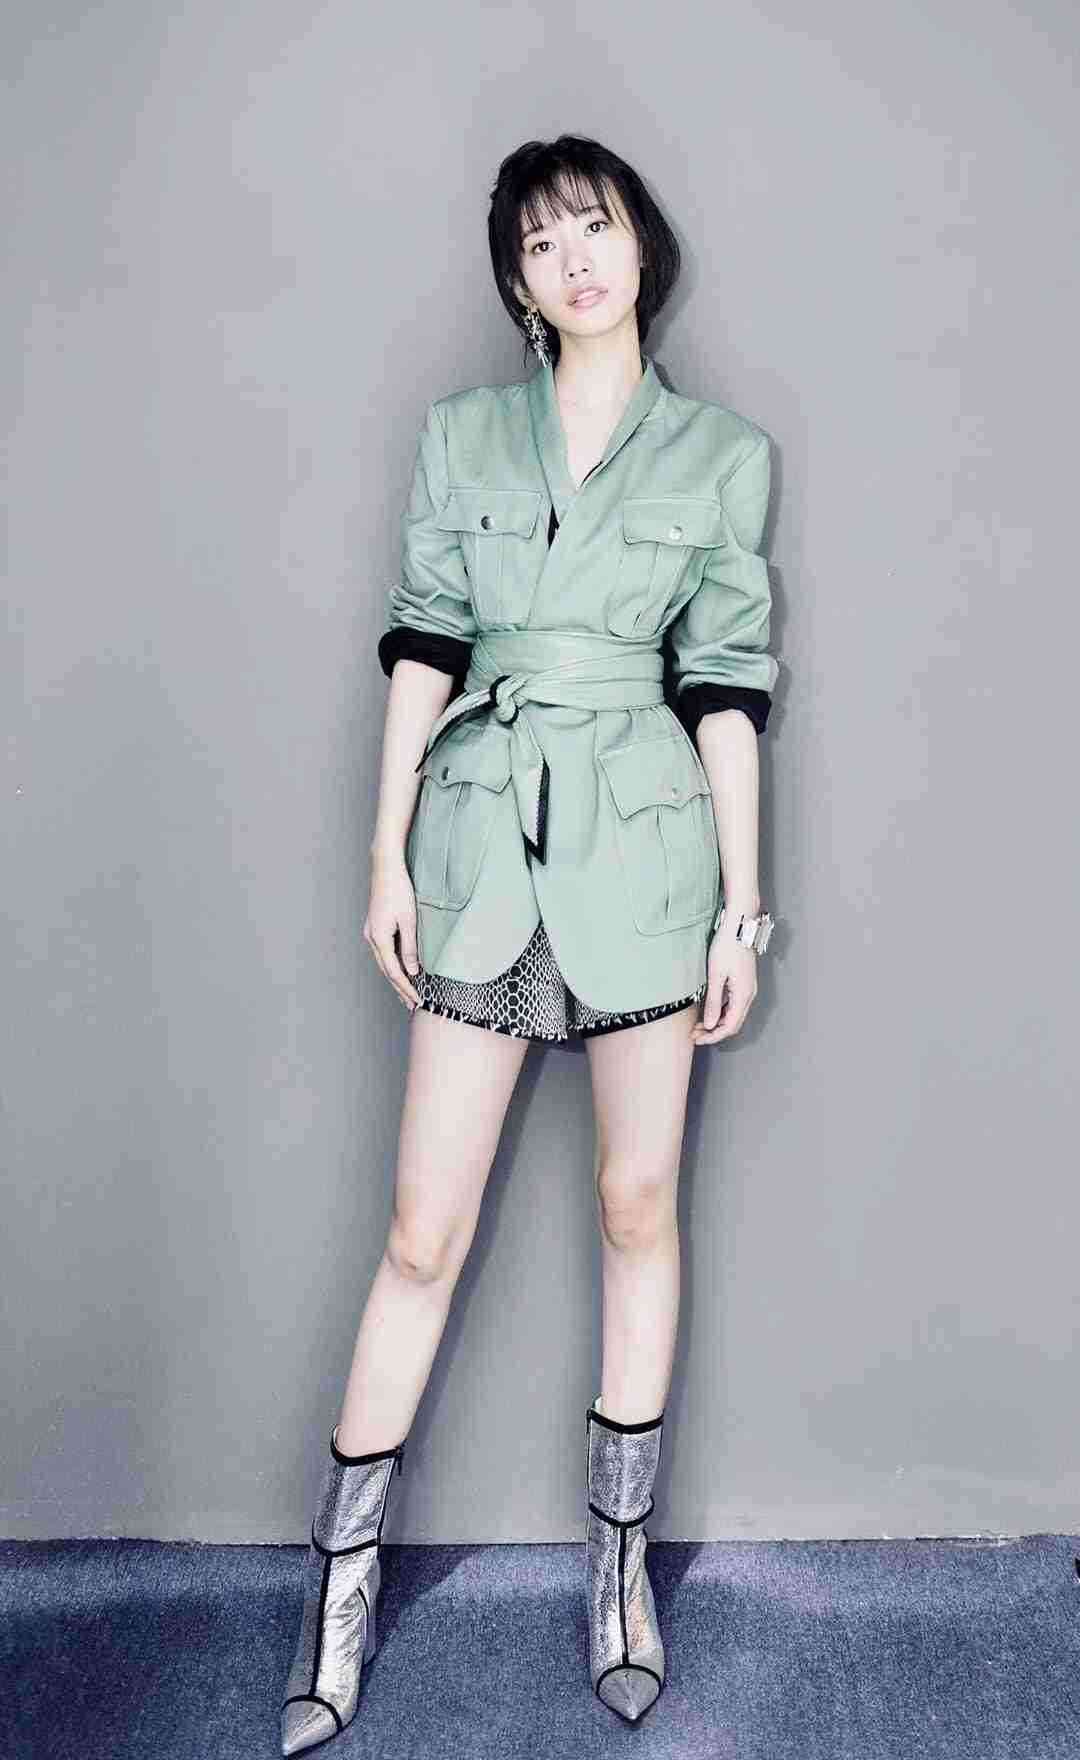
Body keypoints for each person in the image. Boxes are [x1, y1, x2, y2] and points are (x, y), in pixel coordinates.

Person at [280, 132, 779, 1754]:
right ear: (517, 280)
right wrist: (385, 853)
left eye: (598, 227)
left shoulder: (722, 457)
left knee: (638, 1207)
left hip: (644, 855)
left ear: (642, 247)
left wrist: (742, 908)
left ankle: (618, 1571)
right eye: (546, 241)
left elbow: (727, 691)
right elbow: (425, 642)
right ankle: (339, 1588)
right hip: (485, 845)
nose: (578, 259)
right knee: (423, 1234)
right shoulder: (461, 437)